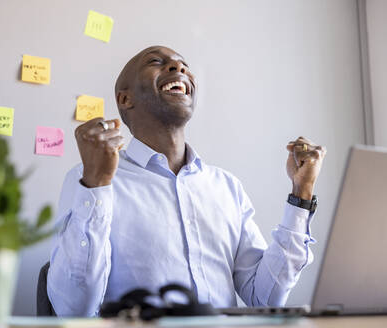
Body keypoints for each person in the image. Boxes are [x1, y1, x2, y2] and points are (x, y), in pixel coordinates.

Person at [47, 46, 327, 317]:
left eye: (184, 65)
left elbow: (264, 298)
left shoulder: (226, 187)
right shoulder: (91, 181)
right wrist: (96, 185)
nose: (178, 67)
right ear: (125, 99)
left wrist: (301, 193)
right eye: (155, 61)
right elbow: (74, 310)